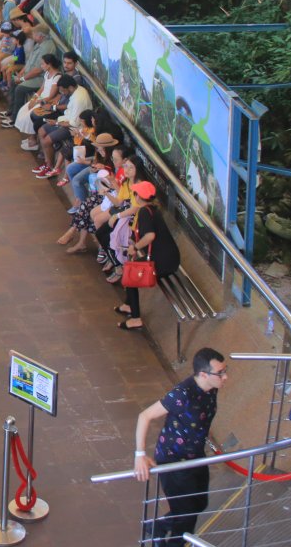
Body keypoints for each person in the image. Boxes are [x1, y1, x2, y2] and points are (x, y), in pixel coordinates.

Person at [133, 347, 228, 547]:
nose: (225, 377)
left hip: (196, 456)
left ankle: (159, 526)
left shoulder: (211, 388)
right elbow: (145, 416)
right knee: (186, 516)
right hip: (173, 459)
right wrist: (140, 455)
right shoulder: (182, 394)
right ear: (203, 374)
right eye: (220, 373)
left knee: (200, 503)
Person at [113, 181, 180, 330]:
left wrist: (135, 247)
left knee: (129, 276)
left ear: (138, 197)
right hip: (170, 258)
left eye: (135, 193)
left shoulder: (144, 212)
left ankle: (135, 318)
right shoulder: (152, 209)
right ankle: (128, 305)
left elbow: (150, 236)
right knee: (129, 271)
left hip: (163, 262)